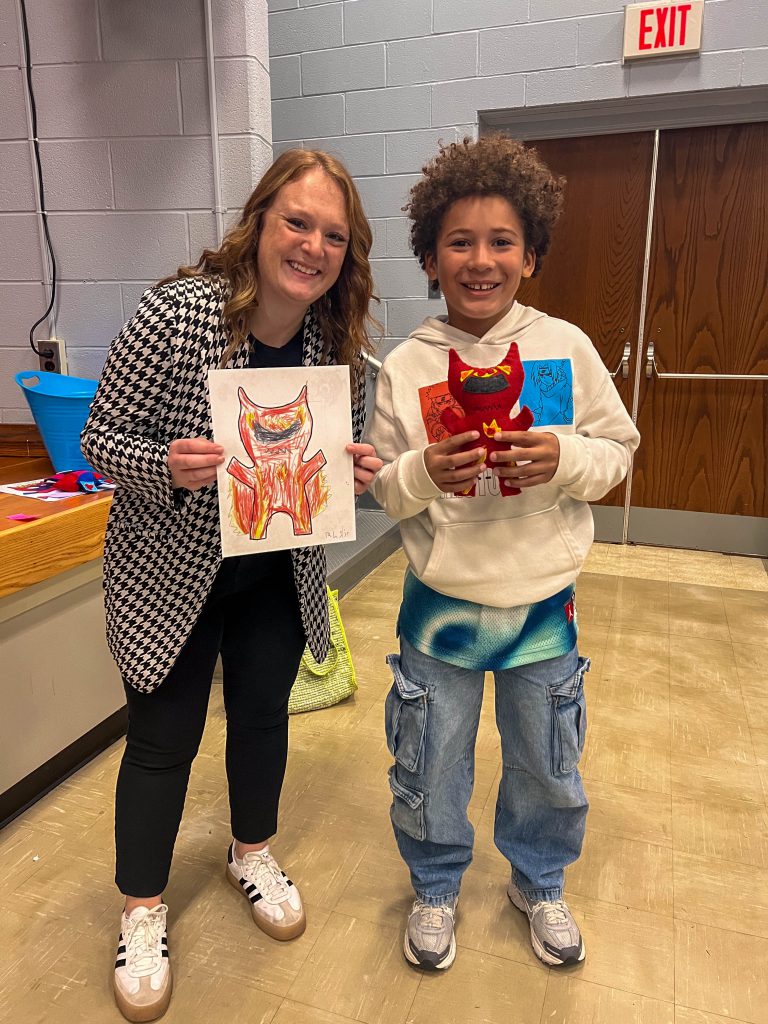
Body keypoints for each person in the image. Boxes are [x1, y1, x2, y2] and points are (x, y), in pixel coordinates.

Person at [81, 149, 383, 1022]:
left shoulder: (337, 345)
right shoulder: (177, 316)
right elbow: (100, 443)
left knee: (261, 718)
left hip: (275, 576)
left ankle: (251, 851)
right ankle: (141, 907)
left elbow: (334, 464)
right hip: (169, 576)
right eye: (297, 222)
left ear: (345, 255)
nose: (312, 246)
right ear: (259, 223)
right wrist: (164, 466)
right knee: (161, 741)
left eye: (332, 234)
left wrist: (353, 469)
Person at [366, 135, 640, 972]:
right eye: (459, 242)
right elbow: (383, 487)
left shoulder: (564, 347)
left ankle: (540, 879)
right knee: (430, 755)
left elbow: (618, 451)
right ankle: (437, 884)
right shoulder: (406, 365)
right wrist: (420, 470)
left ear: (531, 255)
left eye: (501, 242)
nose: (480, 260)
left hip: (542, 607)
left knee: (547, 758)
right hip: (439, 606)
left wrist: (564, 459)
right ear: (429, 256)